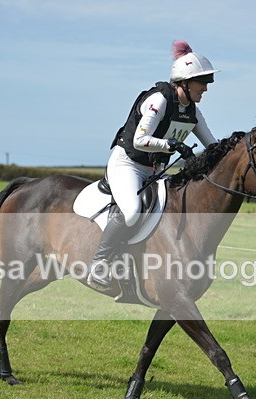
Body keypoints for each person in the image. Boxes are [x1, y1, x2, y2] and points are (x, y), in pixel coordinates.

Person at [87, 40, 219, 292]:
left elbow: (212, 146)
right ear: (184, 82)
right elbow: (139, 139)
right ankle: (99, 264)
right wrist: (170, 145)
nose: (206, 89)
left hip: (154, 171)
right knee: (133, 210)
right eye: (202, 83)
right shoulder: (159, 100)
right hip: (127, 163)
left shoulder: (192, 111)